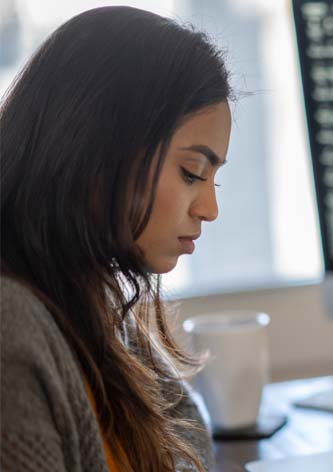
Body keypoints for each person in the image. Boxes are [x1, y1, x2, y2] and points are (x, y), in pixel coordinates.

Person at [1, 6, 233, 471]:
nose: (209, 209)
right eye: (191, 172)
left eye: (213, 180)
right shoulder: (11, 326)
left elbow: (187, 441)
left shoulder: (92, 297)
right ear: (100, 151)